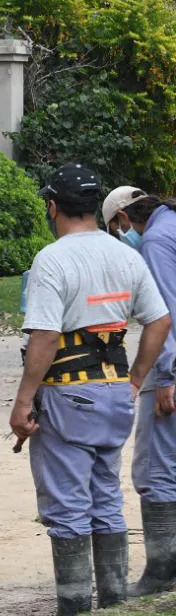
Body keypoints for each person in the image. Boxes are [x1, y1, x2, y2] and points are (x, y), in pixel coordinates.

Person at [9, 164, 171, 616]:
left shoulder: (54, 260)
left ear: (53, 206)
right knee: (105, 498)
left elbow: (43, 337)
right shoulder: (126, 256)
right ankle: (113, 607)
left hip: (68, 397)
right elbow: (159, 321)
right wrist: (136, 377)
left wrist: (24, 402)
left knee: (67, 505)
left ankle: (75, 614)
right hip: (115, 395)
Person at [107, 192, 176, 595]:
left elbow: (165, 312)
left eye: (117, 229)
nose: (121, 237)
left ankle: (162, 573)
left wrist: (164, 374)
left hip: (171, 368)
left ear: (122, 217)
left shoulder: (155, 239)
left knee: (156, 469)